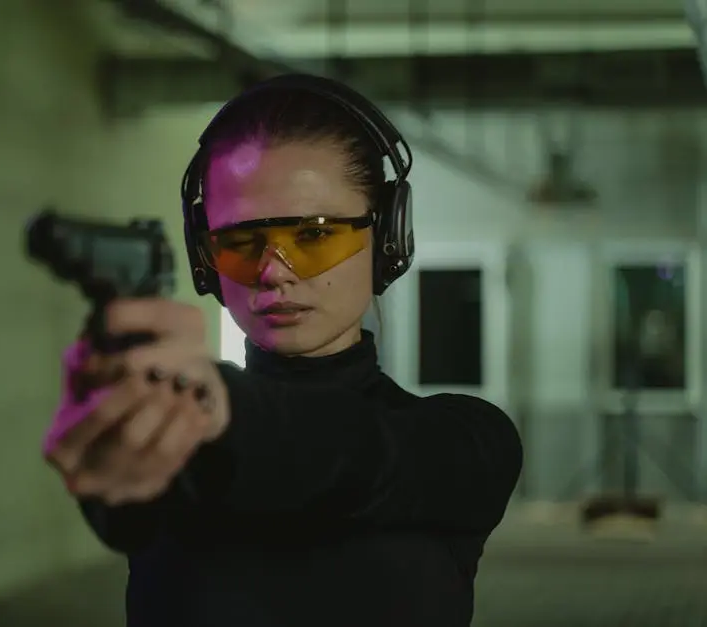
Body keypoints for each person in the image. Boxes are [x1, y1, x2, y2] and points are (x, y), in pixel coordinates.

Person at [43, 74, 523, 627]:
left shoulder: (466, 442)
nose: (273, 273)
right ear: (206, 259)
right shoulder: (187, 426)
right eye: (241, 243)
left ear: (387, 236)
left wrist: (216, 406)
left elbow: (350, 454)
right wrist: (114, 434)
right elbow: (128, 516)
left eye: (315, 235)